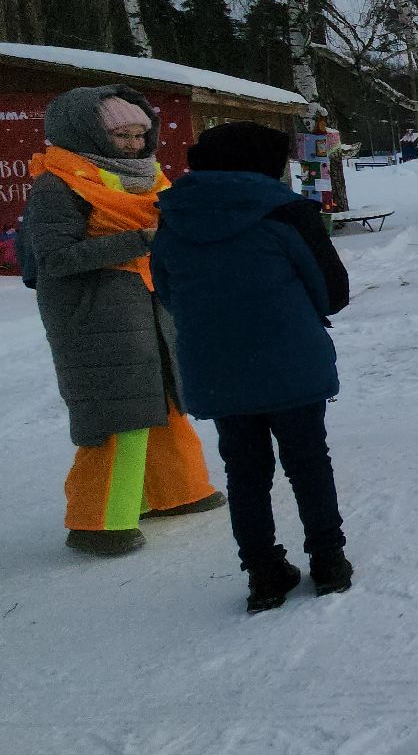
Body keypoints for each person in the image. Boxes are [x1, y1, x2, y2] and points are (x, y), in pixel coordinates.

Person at [151, 122, 353, 613]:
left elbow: (167, 291)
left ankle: (264, 575)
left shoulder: (174, 215)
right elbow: (333, 292)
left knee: (244, 472)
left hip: (217, 369)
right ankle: (328, 562)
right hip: (289, 363)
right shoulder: (286, 212)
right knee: (307, 462)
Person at [22, 85, 225, 556]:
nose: (135, 145)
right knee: (117, 415)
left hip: (148, 308)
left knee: (164, 400)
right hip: (92, 317)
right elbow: (53, 259)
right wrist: (140, 240)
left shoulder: (146, 177)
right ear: (86, 133)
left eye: (140, 134)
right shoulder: (58, 184)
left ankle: (176, 491)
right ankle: (97, 522)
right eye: (122, 136)